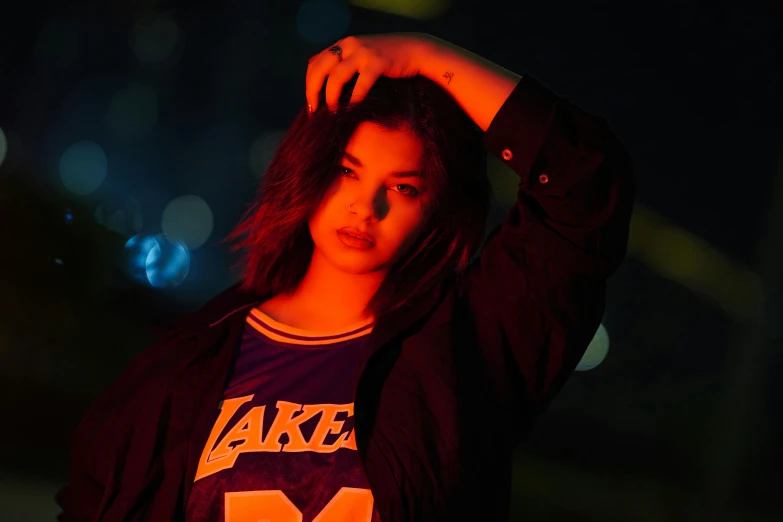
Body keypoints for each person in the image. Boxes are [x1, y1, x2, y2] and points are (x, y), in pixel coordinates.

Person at [55, 32, 635, 522]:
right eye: (347, 172)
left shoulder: (467, 347)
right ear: (308, 170)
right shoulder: (188, 362)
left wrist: (421, 53)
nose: (366, 208)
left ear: (436, 209)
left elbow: (584, 185)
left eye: (403, 188)